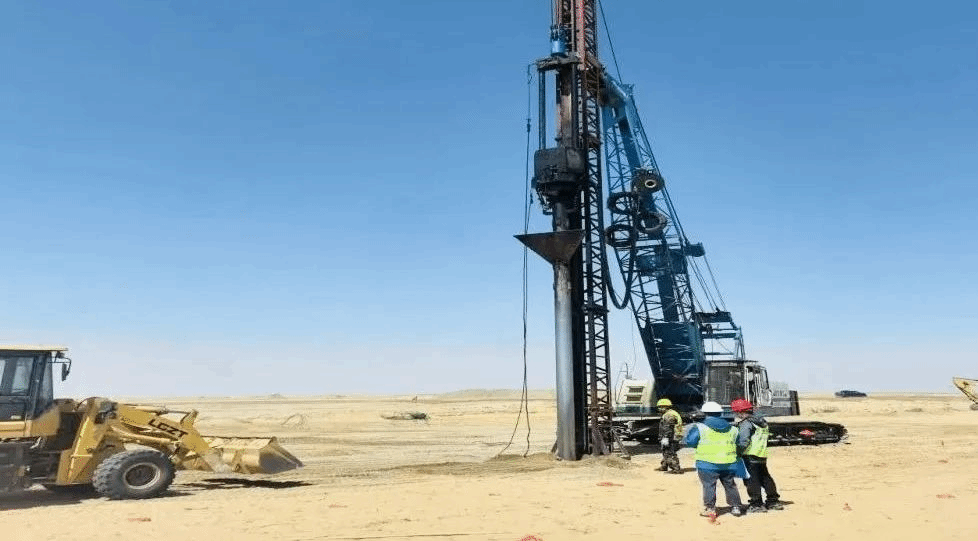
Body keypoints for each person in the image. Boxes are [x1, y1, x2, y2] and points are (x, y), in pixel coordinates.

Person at [684, 401, 745, 517]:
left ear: (705, 413)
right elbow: (738, 443)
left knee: (709, 485)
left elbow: (691, 442)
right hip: (729, 463)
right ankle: (736, 507)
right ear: (720, 413)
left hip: (707, 464)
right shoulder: (733, 428)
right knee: (730, 485)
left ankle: (710, 508)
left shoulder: (700, 427)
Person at [731, 398, 784, 513]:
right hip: (761, 454)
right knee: (765, 478)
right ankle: (773, 501)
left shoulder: (746, 423)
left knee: (751, 480)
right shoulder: (762, 422)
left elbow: (743, 441)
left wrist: (737, 453)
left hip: (749, 455)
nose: (736, 415)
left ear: (740, 412)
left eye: (736, 412)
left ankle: (757, 504)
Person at [655, 398, 683, 474]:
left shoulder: (669, 415)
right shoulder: (670, 413)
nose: (659, 409)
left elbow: (668, 428)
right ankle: (664, 466)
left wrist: (666, 437)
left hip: (671, 437)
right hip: (672, 436)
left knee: (670, 452)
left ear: (665, 407)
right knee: (665, 451)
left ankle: (676, 469)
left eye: (660, 407)